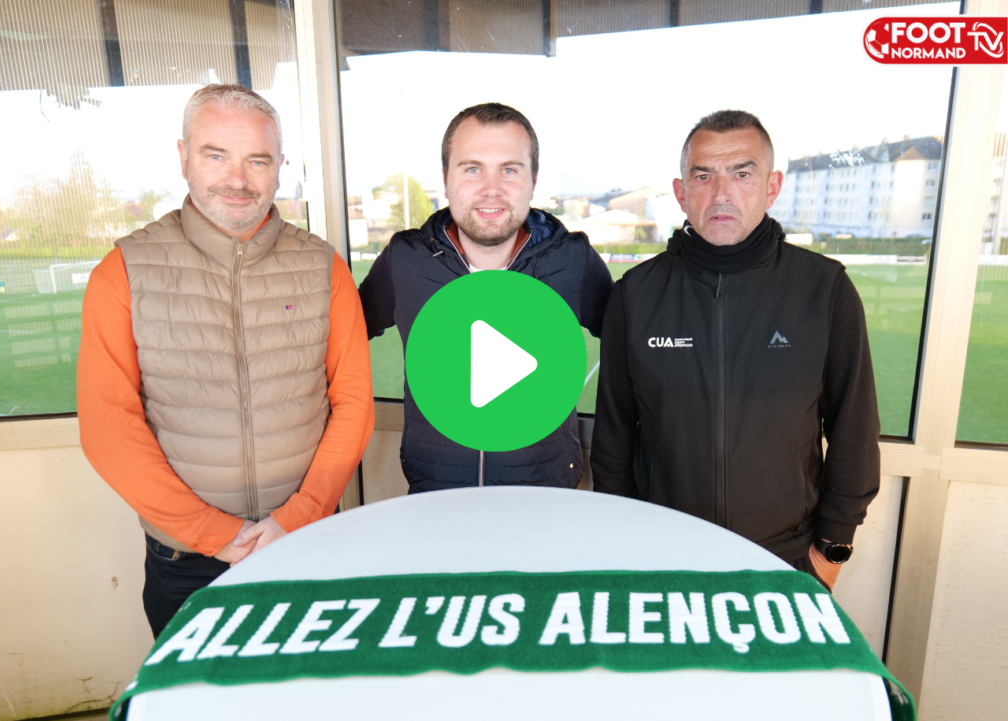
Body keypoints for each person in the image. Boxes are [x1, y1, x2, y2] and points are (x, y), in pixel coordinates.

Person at [77, 84, 375, 636]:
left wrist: (298, 516)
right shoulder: (122, 272)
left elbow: (353, 400)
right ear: (184, 156)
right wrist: (217, 535)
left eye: (256, 160)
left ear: (279, 168)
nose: (237, 180)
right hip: (185, 562)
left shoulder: (322, 268)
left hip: (308, 540)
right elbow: (108, 427)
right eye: (216, 155)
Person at [591, 110, 880, 591]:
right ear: (682, 192)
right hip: (661, 555)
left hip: (786, 562)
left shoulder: (824, 290)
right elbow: (615, 439)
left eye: (742, 174)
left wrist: (830, 552)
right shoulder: (636, 295)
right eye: (703, 176)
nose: (721, 193)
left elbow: (854, 433)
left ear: (772, 186)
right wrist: (626, 541)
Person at [359, 103, 613, 491]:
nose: (491, 189)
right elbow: (346, 336)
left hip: (545, 499)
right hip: (437, 497)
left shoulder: (573, 260)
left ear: (533, 180)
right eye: (472, 168)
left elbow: (629, 344)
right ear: (446, 179)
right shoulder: (403, 260)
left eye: (509, 170)